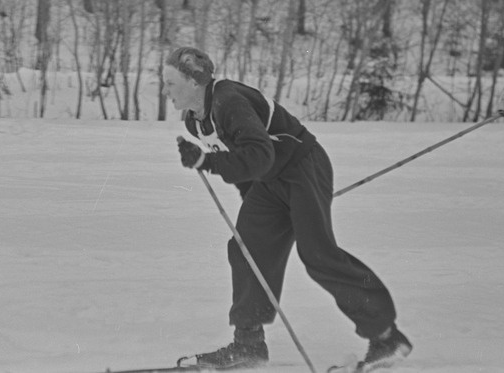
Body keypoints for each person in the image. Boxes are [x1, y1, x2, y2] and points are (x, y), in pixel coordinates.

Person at [162, 46, 412, 372]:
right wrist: (256, 215)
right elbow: (250, 166)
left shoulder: (228, 102)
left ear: (195, 81)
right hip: (270, 182)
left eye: (170, 82)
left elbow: (259, 154)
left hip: (301, 167)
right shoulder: (196, 123)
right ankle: (248, 345)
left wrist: (206, 161)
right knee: (247, 248)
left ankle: (386, 336)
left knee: (317, 255)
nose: (165, 90)